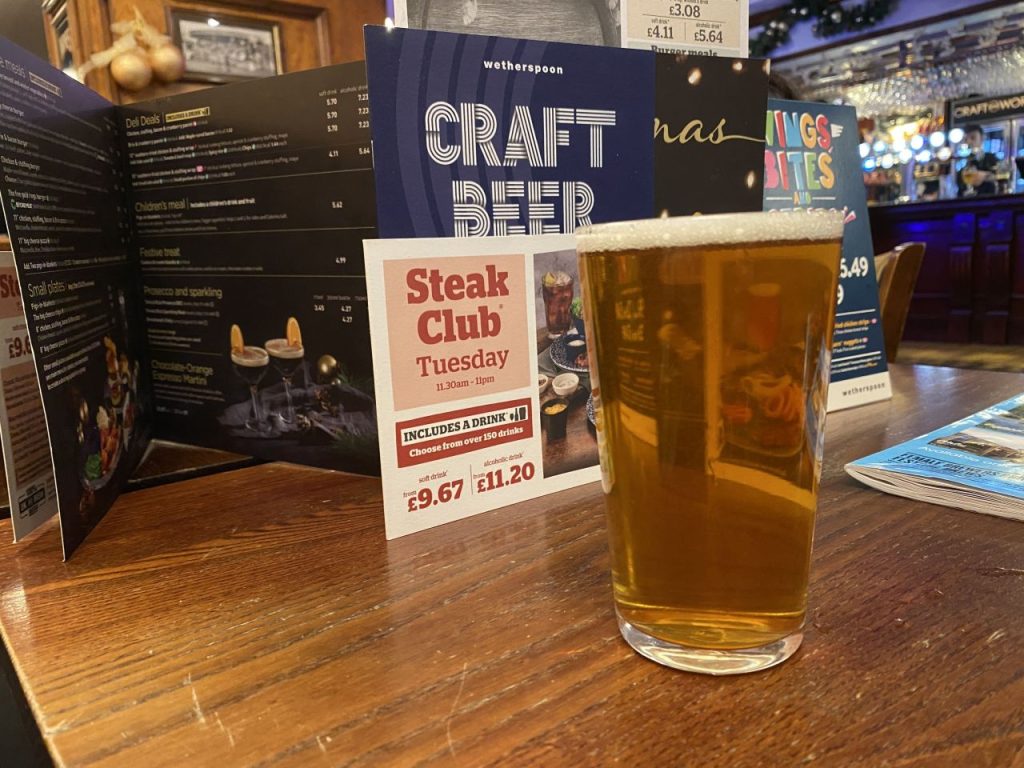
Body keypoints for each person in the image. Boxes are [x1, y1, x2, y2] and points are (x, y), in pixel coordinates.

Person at [958, 124, 999, 197]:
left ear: (982, 138)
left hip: (988, 200)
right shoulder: (962, 160)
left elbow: (1000, 176)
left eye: (973, 138)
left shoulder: (991, 158)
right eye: (966, 139)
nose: (969, 142)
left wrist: (985, 176)